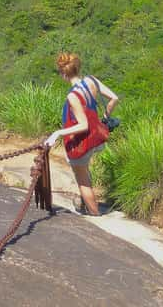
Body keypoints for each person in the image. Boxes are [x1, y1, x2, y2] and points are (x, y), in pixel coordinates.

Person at [44, 52, 120, 216]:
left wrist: (57, 133)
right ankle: (86, 205)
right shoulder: (91, 80)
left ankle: (95, 215)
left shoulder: (73, 96)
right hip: (97, 138)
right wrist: (104, 118)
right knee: (84, 170)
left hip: (82, 143)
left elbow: (83, 125)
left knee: (83, 182)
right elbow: (114, 98)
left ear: (63, 74)